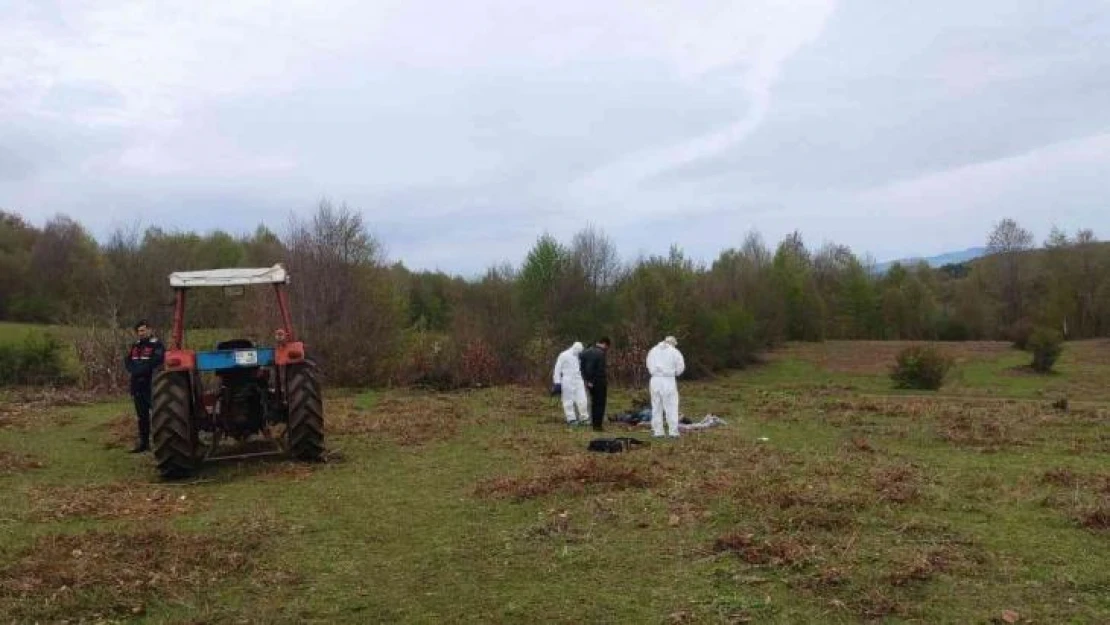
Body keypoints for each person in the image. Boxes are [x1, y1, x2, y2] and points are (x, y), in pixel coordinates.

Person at [124, 320, 165, 453]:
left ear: (149, 330)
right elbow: (128, 361)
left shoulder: (157, 345)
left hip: (152, 385)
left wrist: (141, 369)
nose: (141, 333)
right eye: (139, 331)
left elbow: (156, 361)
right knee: (142, 417)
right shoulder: (135, 346)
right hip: (137, 386)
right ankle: (144, 443)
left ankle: (162, 443)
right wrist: (134, 370)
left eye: (143, 330)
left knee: (158, 415)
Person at [646, 335, 685, 438]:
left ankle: (658, 431)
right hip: (668, 379)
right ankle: (673, 432)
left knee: (656, 406)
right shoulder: (674, 352)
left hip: (654, 380)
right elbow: (680, 367)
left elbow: (648, 364)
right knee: (671, 406)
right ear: (673, 343)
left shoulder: (652, 350)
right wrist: (675, 373)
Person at [552, 341, 588, 426]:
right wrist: (557, 382)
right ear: (574, 348)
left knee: (582, 399)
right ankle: (571, 418)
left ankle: (584, 418)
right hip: (567, 380)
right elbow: (557, 369)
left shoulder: (580, 356)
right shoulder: (564, 355)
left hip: (578, 380)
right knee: (568, 400)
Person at [579, 337, 611, 432]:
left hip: (589, 382)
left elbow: (582, 367)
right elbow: (598, 369)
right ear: (605, 344)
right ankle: (598, 426)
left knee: (593, 403)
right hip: (599, 382)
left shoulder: (585, 352)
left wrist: (587, 380)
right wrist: (592, 380)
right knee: (600, 404)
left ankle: (594, 423)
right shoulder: (601, 353)